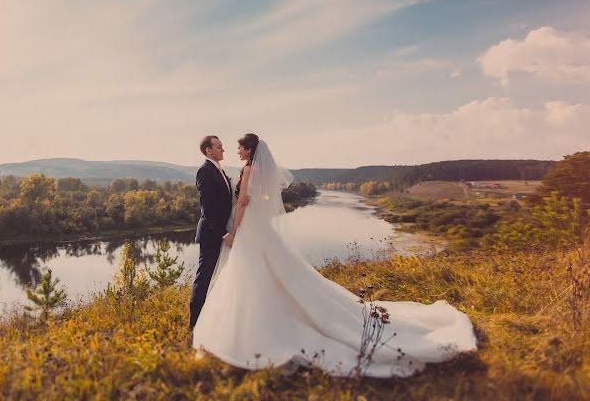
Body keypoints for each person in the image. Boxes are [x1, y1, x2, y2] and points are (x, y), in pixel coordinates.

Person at [192, 133, 477, 377]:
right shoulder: (230, 171)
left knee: (251, 275)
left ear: (250, 150)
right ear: (209, 150)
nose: (232, 150)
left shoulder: (246, 171)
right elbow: (254, 199)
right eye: (223, 146)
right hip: (251, 229)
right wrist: (239, 220)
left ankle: (246, 328)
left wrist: (238, 228)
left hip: (247, 230)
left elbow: (241, 203)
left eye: (239, 147)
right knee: (261, 274)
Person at [189, 135, 234, 330]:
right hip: (211, 234)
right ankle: (195, 324)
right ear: (209, 150)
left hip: (218, 232)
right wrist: (223, 234)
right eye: (219, 146)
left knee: (217, 275)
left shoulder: (218, 169)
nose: (223, 149)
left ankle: (212, 319)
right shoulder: (205, 171)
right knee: (204, 277)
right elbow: (207, 208)